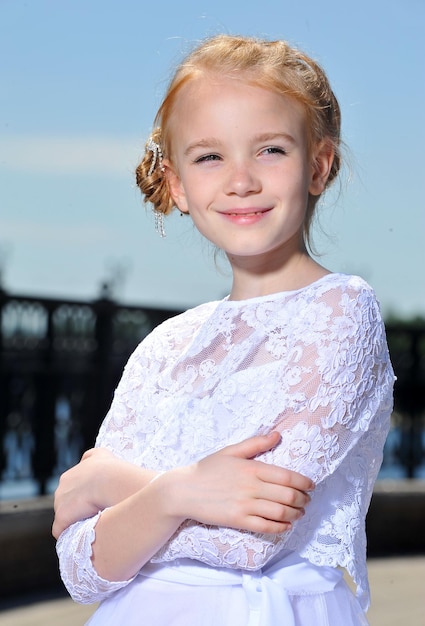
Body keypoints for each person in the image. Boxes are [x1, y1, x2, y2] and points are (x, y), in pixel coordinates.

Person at [53, 34, 395, 625]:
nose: (240, 180)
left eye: (269, 150)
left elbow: (249, 542)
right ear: (179, 183)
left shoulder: (342, 311)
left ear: (319, 166)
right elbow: (81, 568)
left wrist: (117, 487)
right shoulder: (164, 346)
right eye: (210, 156)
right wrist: (182, 491)